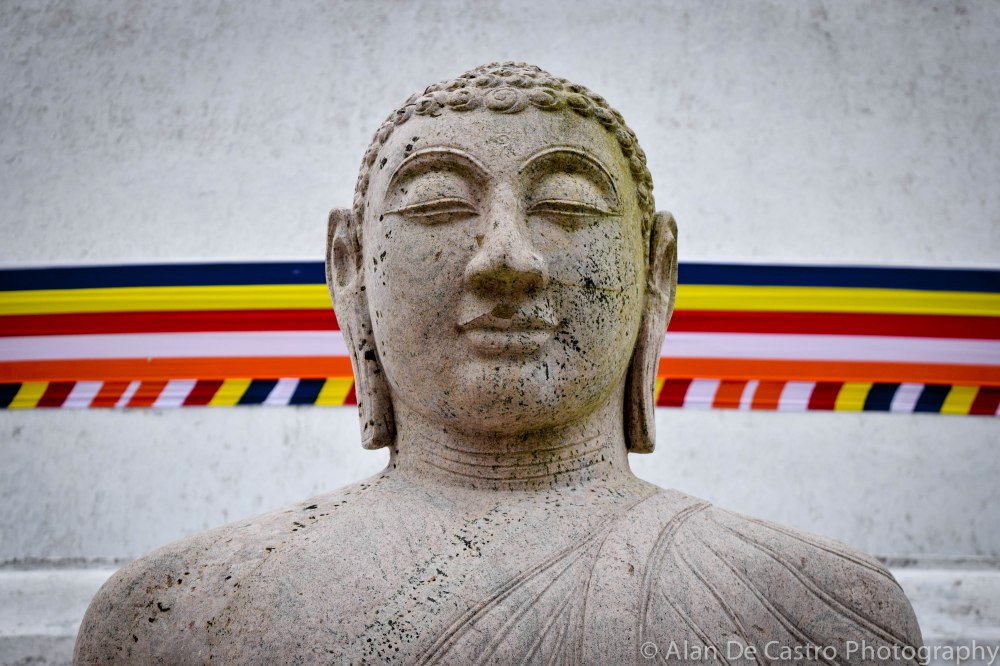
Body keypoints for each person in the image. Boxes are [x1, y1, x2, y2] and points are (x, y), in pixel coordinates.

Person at [75, 63, 921, 665]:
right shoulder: (177, 618)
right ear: (348, 267)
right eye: (439, 205)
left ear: (656, 271)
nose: (505, 260)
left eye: (567, 206)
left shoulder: (822, 611)